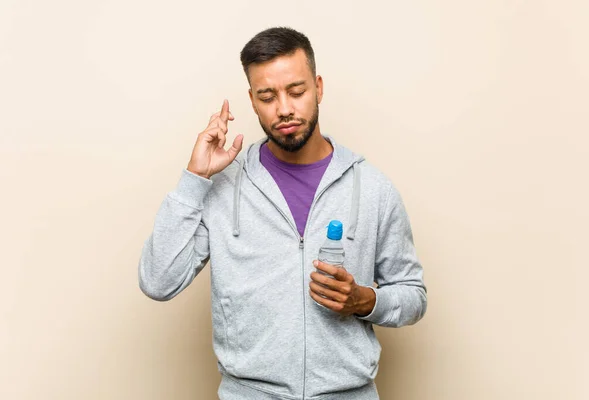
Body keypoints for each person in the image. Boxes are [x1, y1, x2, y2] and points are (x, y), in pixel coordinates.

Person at [138, 26, 427, 400]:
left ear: (318, 87)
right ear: (252, 101)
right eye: (268, 96)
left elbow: (413, 295)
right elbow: (158, 281)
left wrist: (366, 301)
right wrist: (194, 179)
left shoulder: (372, 188)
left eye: (297, 91)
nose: (285, 108)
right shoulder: (224, 187)